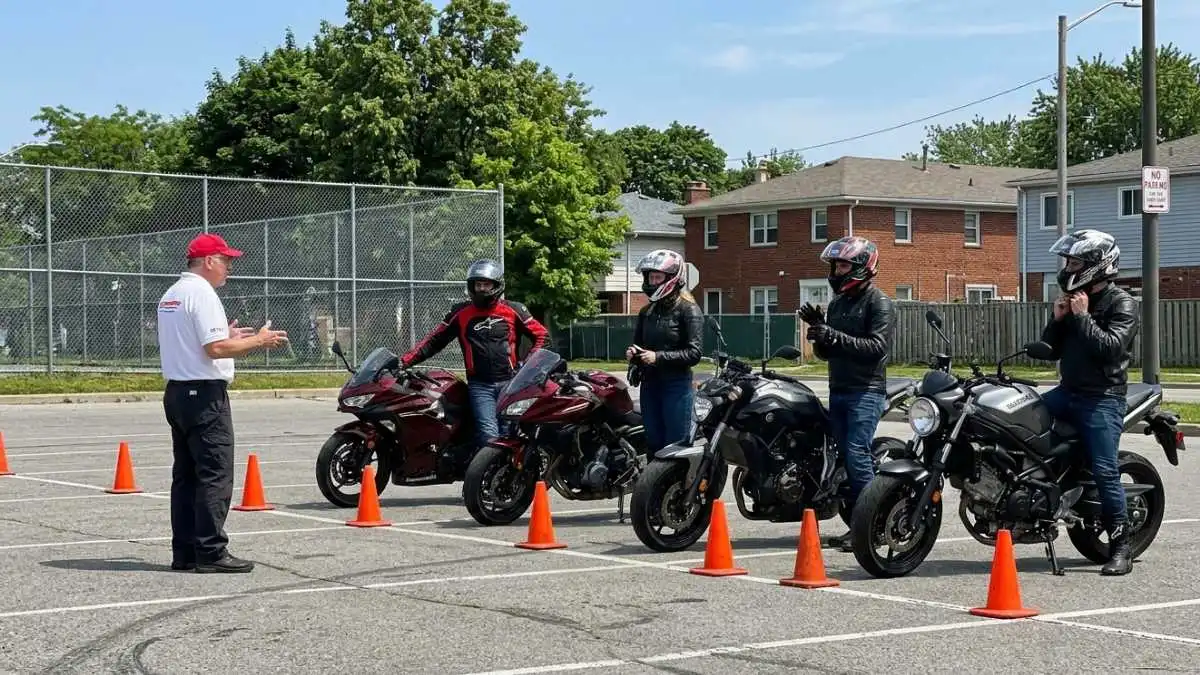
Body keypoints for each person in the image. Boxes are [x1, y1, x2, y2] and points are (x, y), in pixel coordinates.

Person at [157, 233, 289, 573]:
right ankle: (212, 552)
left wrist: (228, 337)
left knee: (186, 477)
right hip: (203, 396)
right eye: (226, 260)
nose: (229, 267)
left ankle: (185, 552)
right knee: (215, 474)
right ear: (209, 261)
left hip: (177, 393)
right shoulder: (202, 294)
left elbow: (199, 342)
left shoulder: (173, 294)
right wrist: (259, 340)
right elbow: (213, 350)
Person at [1039, 229, 1139, 576]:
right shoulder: (1074, 299)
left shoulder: (1121, 303)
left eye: (1076, 261)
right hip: (1068, 392)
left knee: (1105, 470)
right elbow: (1048, 351)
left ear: (1097, 264)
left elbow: (1111, 349)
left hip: (1103, 399)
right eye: (1068, 260)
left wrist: (1082, 317)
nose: (1068, 266)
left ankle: (1122, 548)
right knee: (1019, 421)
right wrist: (1058, 320)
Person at [798, 235, 894, 552]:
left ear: (862, 267)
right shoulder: (839, 303)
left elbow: (876, 348)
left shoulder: (878, 302)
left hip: (865, 391)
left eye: (843, 265)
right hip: (838, 389)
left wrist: (833, 335)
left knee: (857, 454)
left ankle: (870, 527)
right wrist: (819, 332)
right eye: (836, 265)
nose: (837, 271)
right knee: (841, 459)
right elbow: (828, 354)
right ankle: (855, 526)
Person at [400, 259, 548, 449]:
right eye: (478, 284)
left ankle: (508, 477)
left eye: (486, 284)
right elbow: (433, 341)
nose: (482, 289)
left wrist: (529, 365)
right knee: (488, 435)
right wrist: (403, 362)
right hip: (480, 386)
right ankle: (482, 475)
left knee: (509, 434)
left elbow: (542, 336)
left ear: (497, 285)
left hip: (511, 383)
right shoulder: (460, 312)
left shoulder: (514, 309)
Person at [625, 249, 704, 455]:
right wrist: (634, 356)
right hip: (650, 384)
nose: (653, 281)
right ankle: (651, 486)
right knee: (653, 441)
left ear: (672, 278)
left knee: (674, 444)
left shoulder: (689, 310)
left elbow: (694, 353)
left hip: (676, 386)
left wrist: (657, 357)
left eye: (657, 277)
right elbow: (639, 344)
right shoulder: (646, 312)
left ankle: (679, 486)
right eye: (650, 277)